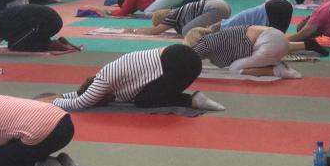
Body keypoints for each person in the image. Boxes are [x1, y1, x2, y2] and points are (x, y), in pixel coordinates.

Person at [52, 44, 224, 111]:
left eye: (100, 99)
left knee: (144, 101)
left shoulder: (103, 78)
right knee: (148, 95)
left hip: (178, 60)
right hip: (183, 60)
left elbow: (81, 102)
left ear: (97, 91)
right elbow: (81, 95)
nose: (109, 100)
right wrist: (64, 95)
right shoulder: (111, 85)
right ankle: (195, 100)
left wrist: (53, 102)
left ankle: (194, 101)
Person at [185, 24, 298, 78]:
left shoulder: (205, 42)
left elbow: (188, 56)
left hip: (270, 43)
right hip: (278, 37)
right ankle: (274, 64)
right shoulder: (220, 38)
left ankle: (278, 71)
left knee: (235, 68)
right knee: (243, 63)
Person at [0, 3, 79, 52]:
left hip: (47, 21)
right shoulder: (3, 21)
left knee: (15, 45)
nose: (0, 40)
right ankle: (59, 42)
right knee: (22, 39)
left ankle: (51, 45)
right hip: (48, 19)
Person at [144, 0, 232, 36]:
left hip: (215, 8)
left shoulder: (172, 16)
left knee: (187, 32)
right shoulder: (180, 12)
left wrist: (136, 30)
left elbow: (155, 31)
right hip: (223, 5)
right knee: (201, 27)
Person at [224, 0, 294, 32]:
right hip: (276, 3)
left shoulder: (227, 29)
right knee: (278, 38)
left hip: (274, 6)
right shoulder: (229, 24)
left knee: (277, 39)